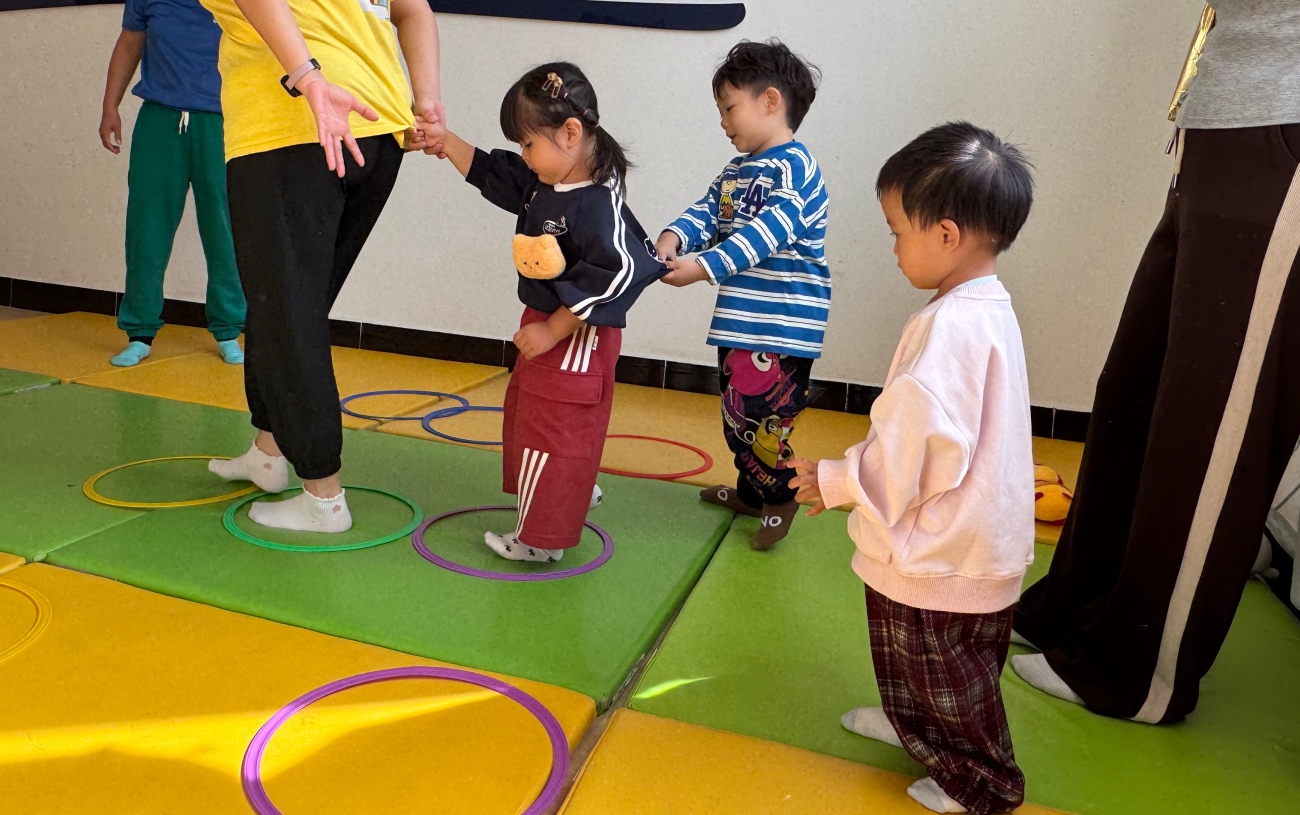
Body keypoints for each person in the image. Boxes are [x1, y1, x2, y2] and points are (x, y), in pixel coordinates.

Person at [1013, 0, 1300, 725]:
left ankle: (1137, 670)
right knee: (1140, 387)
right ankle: (1076, 607)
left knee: (1214, 421)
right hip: (1222, 147)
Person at [175, 0, 443, 534]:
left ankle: (323, 495)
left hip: (295, 126)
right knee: (287, 301)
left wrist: (308, 77)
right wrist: (429, 105)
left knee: (287, 309)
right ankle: (269, 451)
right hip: (381, 127)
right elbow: (414, 6)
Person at [789, 123, 1036, 815]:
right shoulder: (987, 307)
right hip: (972, 539)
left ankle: (984, 782)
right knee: (927, 665)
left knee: (943, 672)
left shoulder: (951, 328)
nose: (893, 246)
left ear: (947, 235)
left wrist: (836, 482)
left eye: (898, 230)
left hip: (940, 548)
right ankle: (914, 728)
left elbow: (915, 444)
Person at [417, 64, 666, 562]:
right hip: (549, 326)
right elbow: (494, 172)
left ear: (570, 134)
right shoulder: (544, 181)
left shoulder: (596, 204)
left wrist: (555, 328)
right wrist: (444, 142)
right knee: (534, 419)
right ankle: (572, 490)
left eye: (530, 144)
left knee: (554, 429)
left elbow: (620, 271)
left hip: (574, 335)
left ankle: (541, 541)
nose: (525, 157)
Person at [654, 40, 831, 551]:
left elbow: (768, 232)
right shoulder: (736, 173)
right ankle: (753, 493)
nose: (723, 122)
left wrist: (704, 267)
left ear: (770, 101)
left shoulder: (796, 168)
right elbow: (707, 213)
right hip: (739, 321)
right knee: (738, 418)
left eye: (729, 108)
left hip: (781, 325)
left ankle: (781, 498)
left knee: (766, 422)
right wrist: (673, 239)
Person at [99, 0, 246, 368]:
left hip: (223, 123)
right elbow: (130, 44)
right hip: (160, 121)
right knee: (147, 227)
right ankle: (140, 331)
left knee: (225, 227)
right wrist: (110, 105)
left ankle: (229, 329)